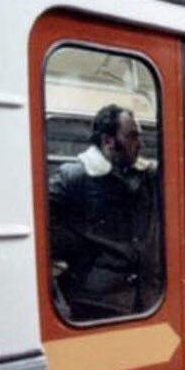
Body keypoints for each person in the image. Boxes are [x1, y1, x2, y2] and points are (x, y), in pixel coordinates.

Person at [48, 104, 162, 322]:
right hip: (96, 302)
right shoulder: (73, 177)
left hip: (147, 300)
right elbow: (44, 226)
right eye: (132, 136)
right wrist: (79, 253)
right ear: (108, 141)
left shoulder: (145, 177)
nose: (141, 143)